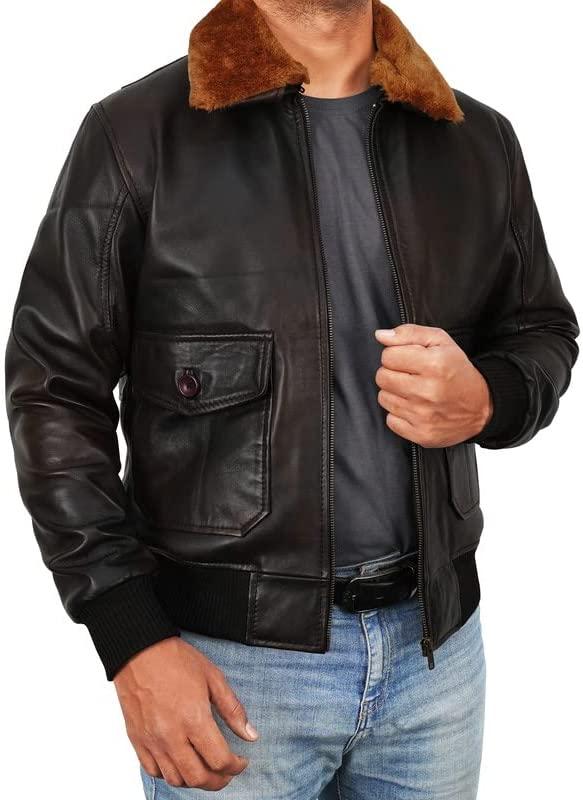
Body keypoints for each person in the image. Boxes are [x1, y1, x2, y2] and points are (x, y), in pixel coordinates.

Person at [5, 0, 579, 797]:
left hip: (436, 657)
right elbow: (51, 387)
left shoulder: (475, 139)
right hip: (227, 664)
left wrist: (491, 397)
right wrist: (129, 635)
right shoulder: (135, 134)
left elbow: (541, 329)